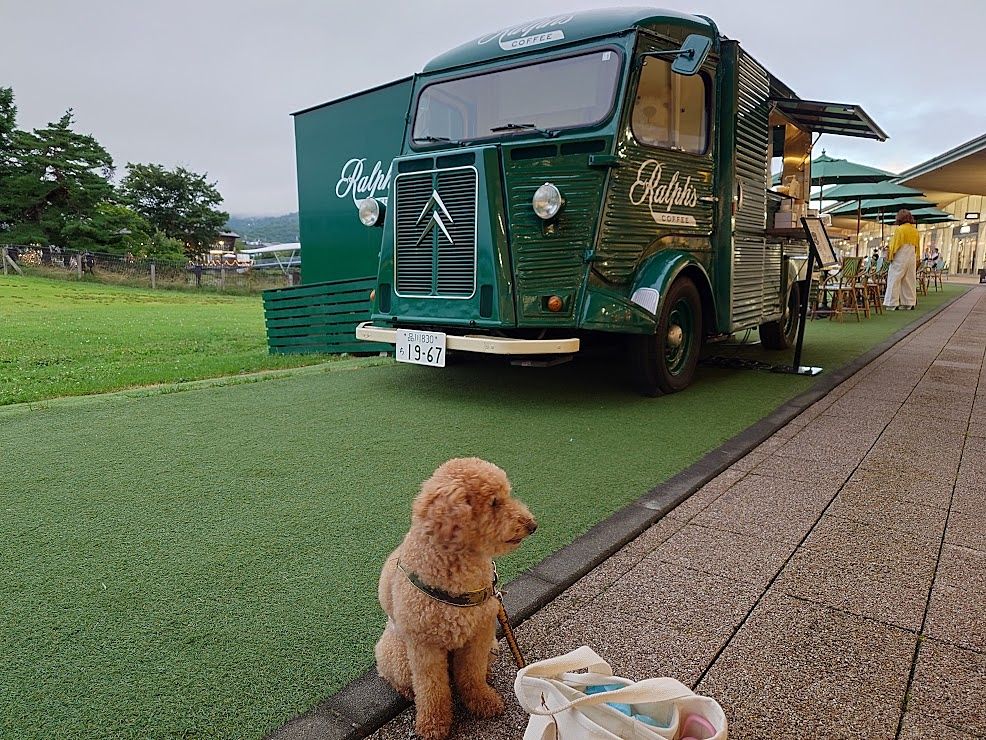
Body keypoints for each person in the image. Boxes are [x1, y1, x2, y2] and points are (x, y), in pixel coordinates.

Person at [883, 209, 920, 310]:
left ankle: (892, 303)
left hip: (900, 256)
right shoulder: (915, 230)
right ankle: (909, 302)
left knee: (894, 278)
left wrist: (890, 256)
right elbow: (917, 247)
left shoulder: (900, 230)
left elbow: (895, 245)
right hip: (911, 255)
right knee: (909, 279)